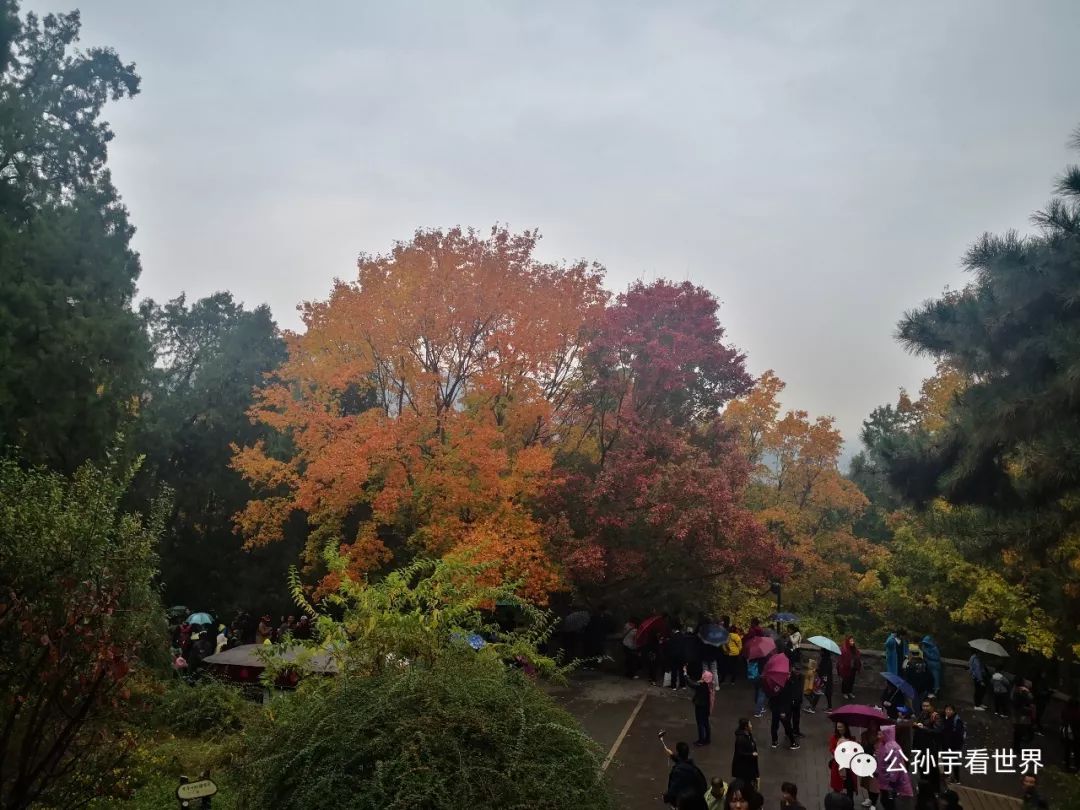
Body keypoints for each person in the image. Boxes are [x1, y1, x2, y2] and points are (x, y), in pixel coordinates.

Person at [876, 725, 914, 810]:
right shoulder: (883, 744)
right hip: (885, 780)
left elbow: (895, 765)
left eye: (881, 734)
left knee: (889, 802)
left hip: (891, 782)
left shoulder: (893, 747)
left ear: (887, 734)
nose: (878, 736)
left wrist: (892, 780)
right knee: (885, 800)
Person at [662, 739, 708, 807]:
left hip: (684, 802)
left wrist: (666, 797)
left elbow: (673, 789)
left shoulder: (678, 772)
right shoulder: (693, 768)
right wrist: (672, 756)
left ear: (678, 753)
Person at [769, 670, 799, 750]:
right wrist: (783, 711)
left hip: (774, 708)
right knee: (787, 726)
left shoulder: (775, 683)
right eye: (788, 674)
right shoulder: (785, 684)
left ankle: (774, 741)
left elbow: (772, 696)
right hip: (782, 709)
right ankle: (793, 743)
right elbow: (783, 699)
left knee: (774, 725)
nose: (789, 675)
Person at [829, 720, 856, 799]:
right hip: (837, 766)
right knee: (837, 787)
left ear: (845, 728)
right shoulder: (834, 738)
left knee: (849, 787)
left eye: (841, 727)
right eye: (838, 727)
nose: (839, 729)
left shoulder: (851, 738)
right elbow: (831, 749)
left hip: (848, 767)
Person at [688, 667, 714, 746]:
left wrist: (686, 675)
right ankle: (707, 739)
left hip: (700, 706)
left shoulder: (701, 685)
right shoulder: (710, 685)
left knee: (700, 723)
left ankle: (701, 740)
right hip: (707, 706)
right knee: (706, 722)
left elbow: (691, 684)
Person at [941, 705, 966, 784]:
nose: (948, 711)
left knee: (953, 761)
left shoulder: (957, 721)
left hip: (953, 746)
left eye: (950, 710)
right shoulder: (944, 718)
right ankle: (947, 775)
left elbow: (958, 734)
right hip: (945, 743)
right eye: (947, 709)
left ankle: (956, 779)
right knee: (946, 760)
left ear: (954, 711)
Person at [731, 718, 759, 788]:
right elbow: (739, 753)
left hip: (749, 765)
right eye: (750, 724)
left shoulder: (748, 734)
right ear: (746, 727)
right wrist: (751, 754)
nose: (751, 726)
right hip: (743, 768)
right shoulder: (740, 739)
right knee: (744, 784)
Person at [859, 726, 882, 809]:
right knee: (867, 782)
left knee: (875, 785)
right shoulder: (865, 735)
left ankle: (874, 803)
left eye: (874, 724)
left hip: (877, 765)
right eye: (871, 723)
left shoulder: (881, 737)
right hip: (867, 762)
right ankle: (870, 799)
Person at [1012, 680, 1035, 754]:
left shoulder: (1017, 691)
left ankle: (1015, 746)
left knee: (1017, 731)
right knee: (1020, 732)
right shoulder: (1027, 694)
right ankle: (1017, 748)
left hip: (1017, 714)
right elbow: (1029, 705)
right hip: (1023, 715)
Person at [1060, 696, 1080, 773]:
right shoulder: (1077, 712)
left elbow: (1062, 717)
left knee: (1067, 748)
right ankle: (1076, 766)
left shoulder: (1066, 710)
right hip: (1075, 733)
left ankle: (1066, 763)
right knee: (1076, 750)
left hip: (1066, 731)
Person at [839, 635, 862, 700]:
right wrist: (842, 666)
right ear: (848, 642)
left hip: (853, 667)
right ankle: (844, 692)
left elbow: (857, 655)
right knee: (846, 681)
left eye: (853, 641)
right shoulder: (844, 649)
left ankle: (849, 692)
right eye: (851, 641)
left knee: (851, 680)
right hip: (846, 668)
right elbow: (841, 658)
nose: (852, 642)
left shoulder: (854, 649)